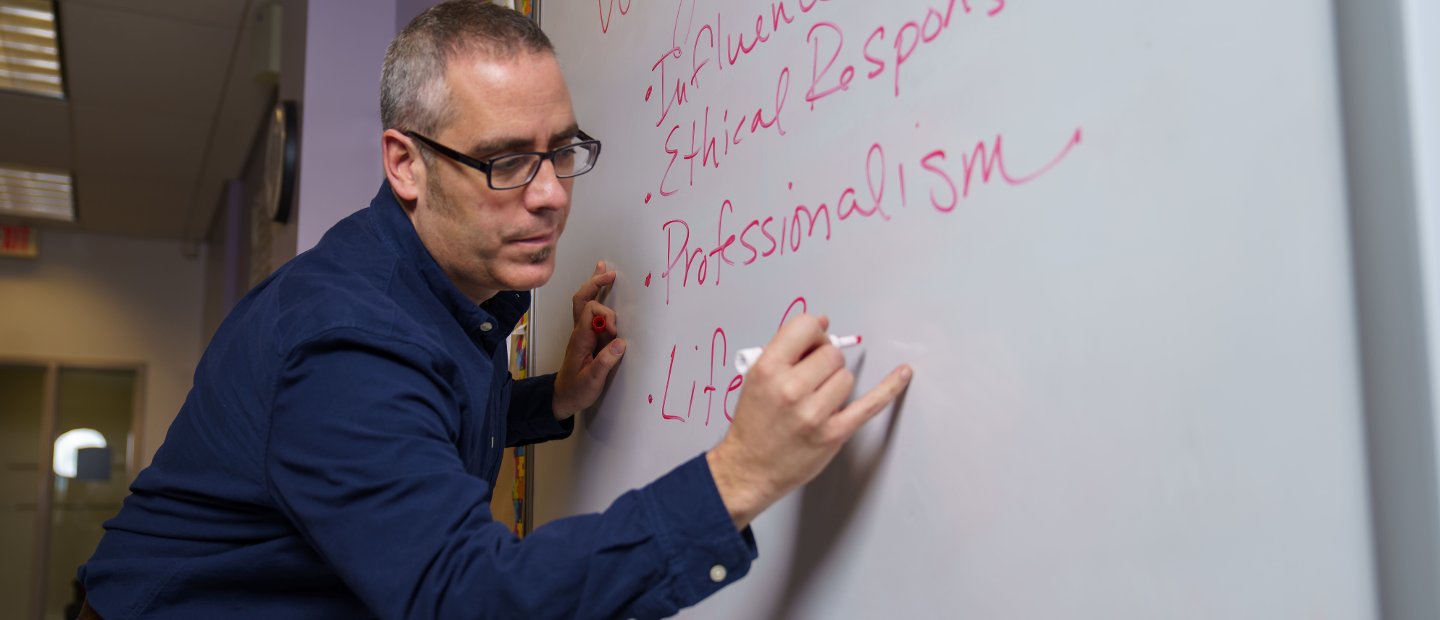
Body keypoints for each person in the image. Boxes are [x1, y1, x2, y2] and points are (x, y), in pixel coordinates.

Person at [77, 2, 912, 619]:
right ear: (406, 164)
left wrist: (549, 400)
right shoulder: (344, 340)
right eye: (506, 161)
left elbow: (418, 413)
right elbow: (461, 597)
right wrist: (739, 476)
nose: (550, 195)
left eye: (563, 153)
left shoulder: (425, 287)